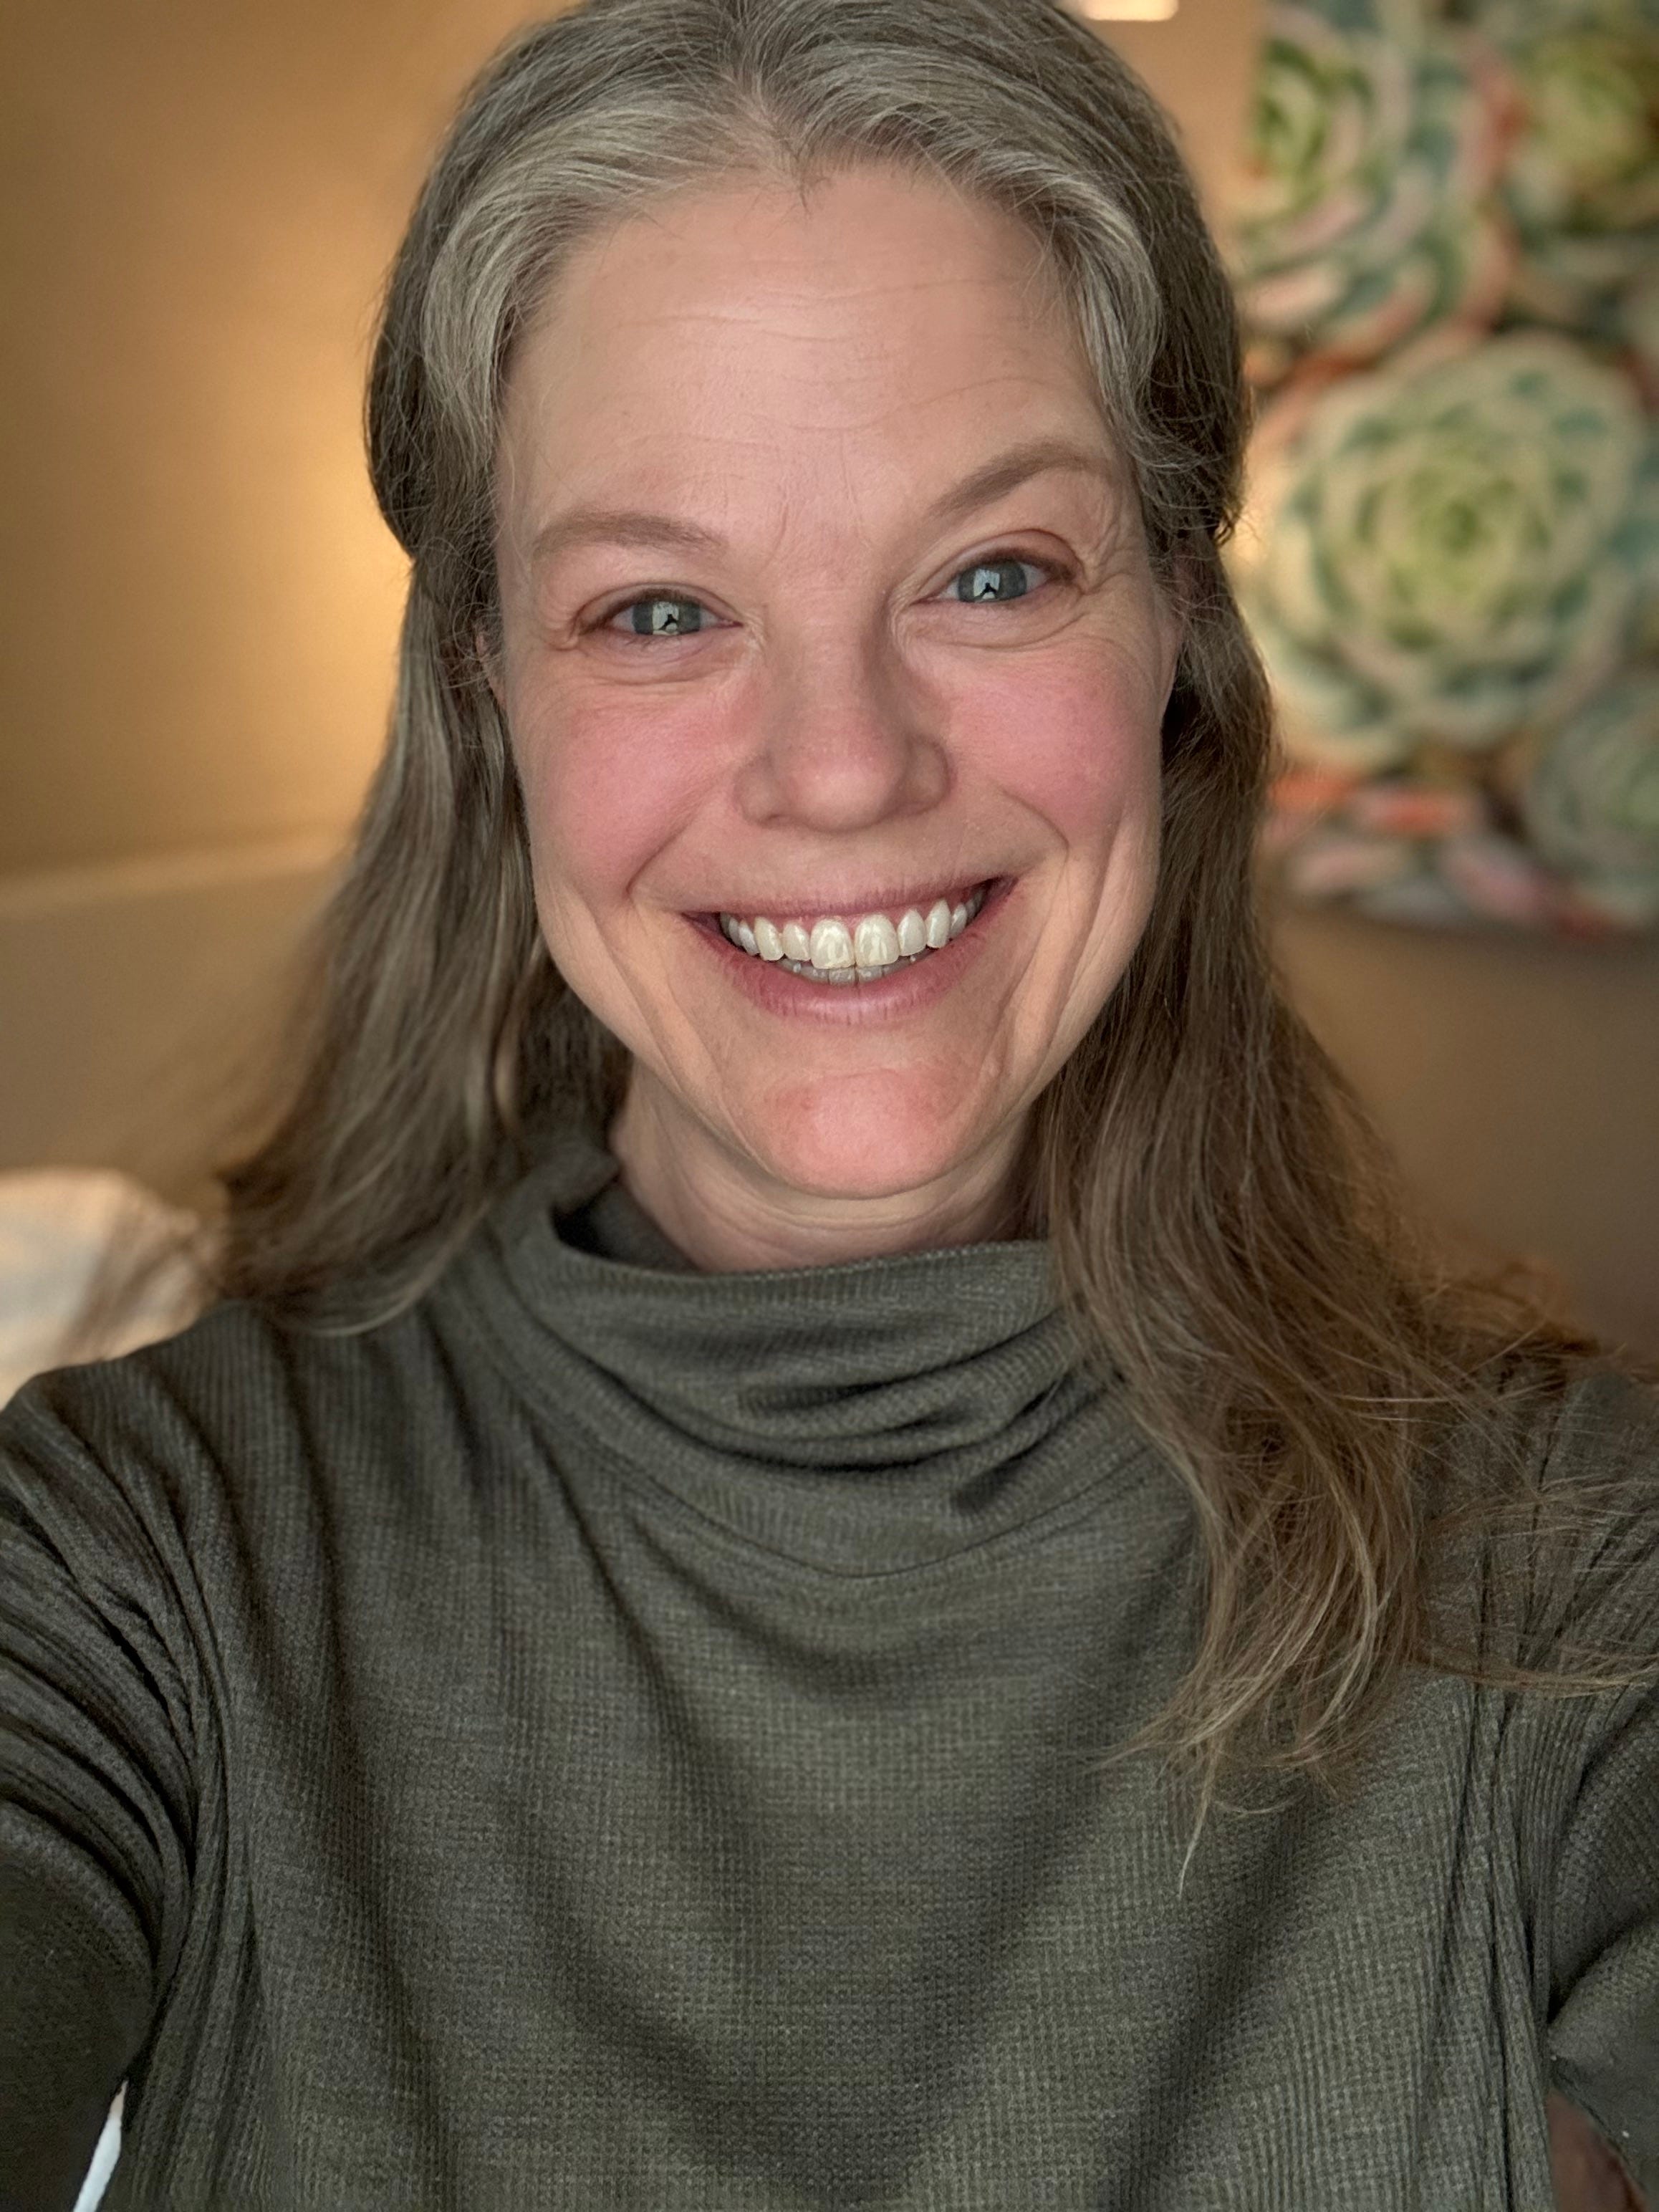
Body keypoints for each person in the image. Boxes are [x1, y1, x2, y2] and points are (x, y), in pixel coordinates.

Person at [3, 0, 1655, 2205]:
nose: (844, 769)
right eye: (657, 610)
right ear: (488, 684)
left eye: (991, 573)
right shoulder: (134, 1560)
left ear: (1174, 615)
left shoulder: (1567, 1575)